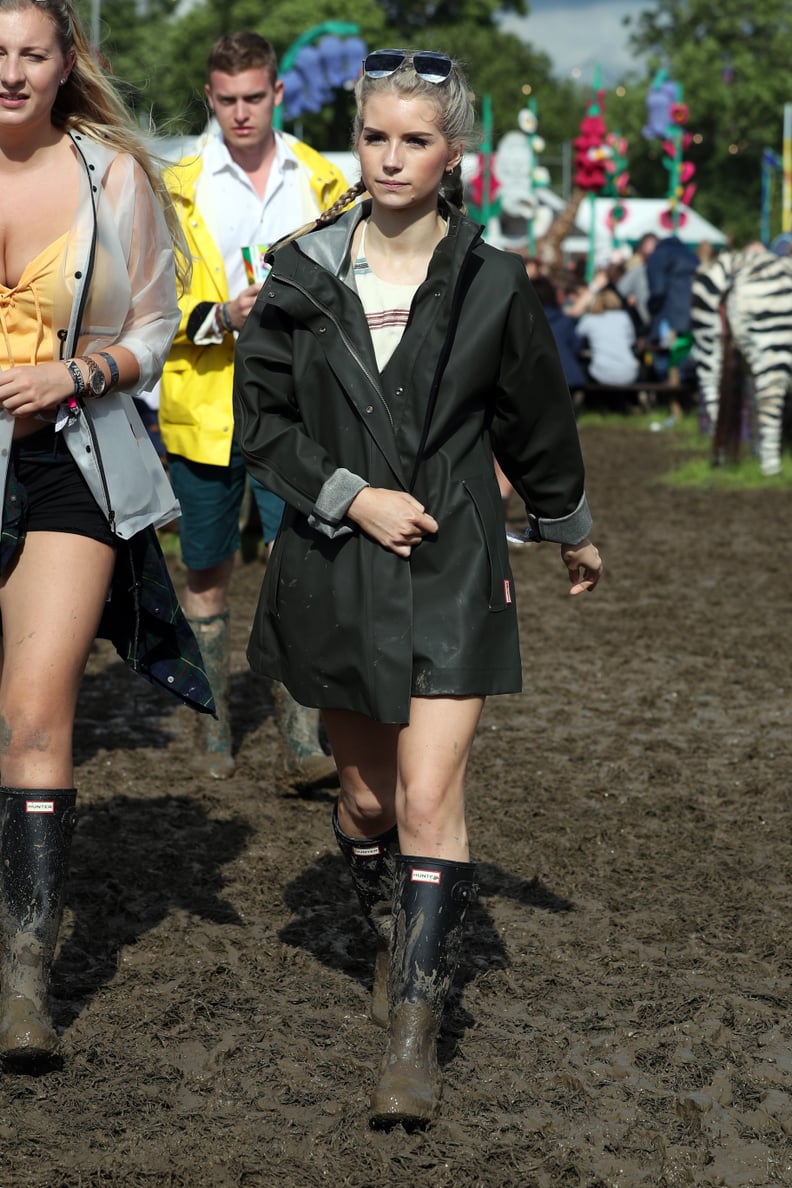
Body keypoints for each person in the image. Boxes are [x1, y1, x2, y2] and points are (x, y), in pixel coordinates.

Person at [234, 49, 603, 1128]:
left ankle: (413, 1034)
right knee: (366, 801)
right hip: (336, 566)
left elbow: (539, 420)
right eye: (377, 136)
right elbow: (262, 427)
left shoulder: (495, 282)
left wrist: (569, 527)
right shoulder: (300, 272)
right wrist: (350, 496)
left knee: (433, 798)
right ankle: (391, 922)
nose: (392, 158)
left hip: (455, 560)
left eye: (417, 140)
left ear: (456, 154)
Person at [0, 0, 213, 1069]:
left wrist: (72, 372)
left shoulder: (112, 176)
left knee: (36, 711)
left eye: (31, 54)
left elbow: (154, 328)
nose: (10, 72)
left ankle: (24, 983)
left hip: (68, 461)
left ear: (64, 61)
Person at [159, 32, 348, 786]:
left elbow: (354, 289)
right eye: (227, 99)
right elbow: (145, 300)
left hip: (295, 410)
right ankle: (213, 726)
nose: (241, 112)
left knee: (295, 564)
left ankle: (303, 738)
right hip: (203, 404)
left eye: (254, 97)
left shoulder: (323, 180)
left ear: (277, 94)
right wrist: (222, 317)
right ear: (211, 98)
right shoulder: (176, 182)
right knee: (204, 567)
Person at [575, 287, 641, 388]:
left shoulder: (589, 319)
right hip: (627, 372)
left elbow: (576, 335)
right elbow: (631, 341)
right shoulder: (624, 317)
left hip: (600, 372)